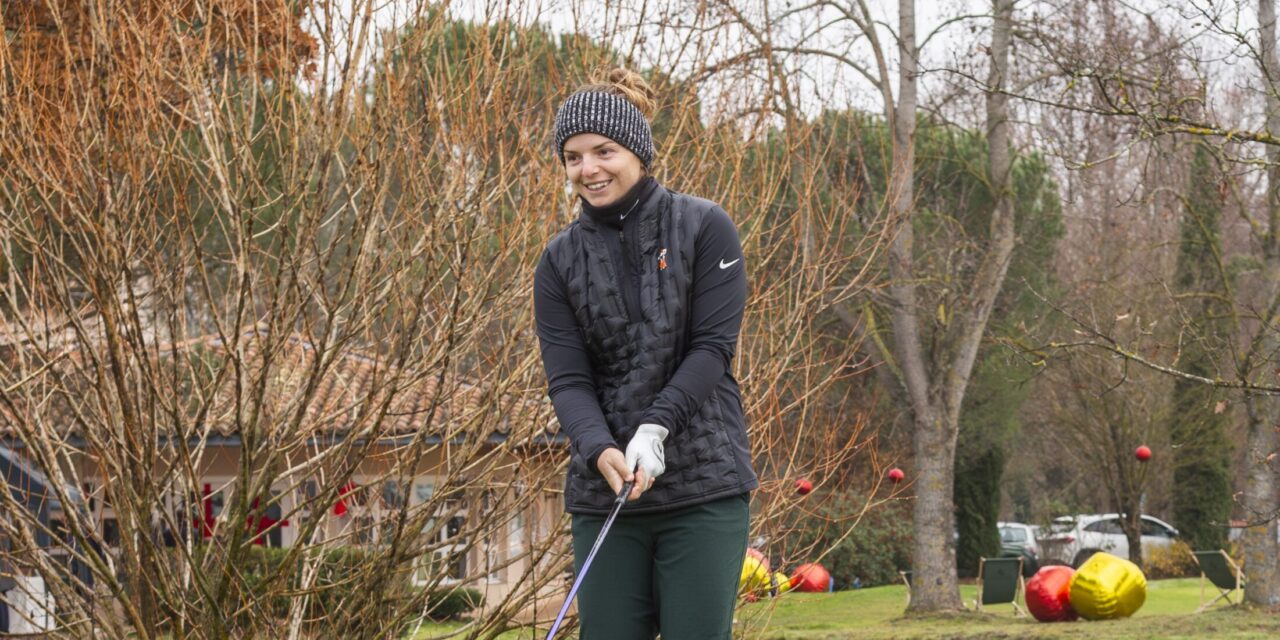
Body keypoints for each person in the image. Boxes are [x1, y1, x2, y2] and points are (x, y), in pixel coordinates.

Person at [534, 68, 758, 639]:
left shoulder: (704, 226)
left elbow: (712, 347)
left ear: (637, 150)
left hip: (703, 486)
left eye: (603, 151)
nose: (588, 169)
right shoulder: (558, 261)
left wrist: (656, 427)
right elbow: (568, 380)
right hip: (605, 492)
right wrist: (598, 447)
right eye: (573, 157)